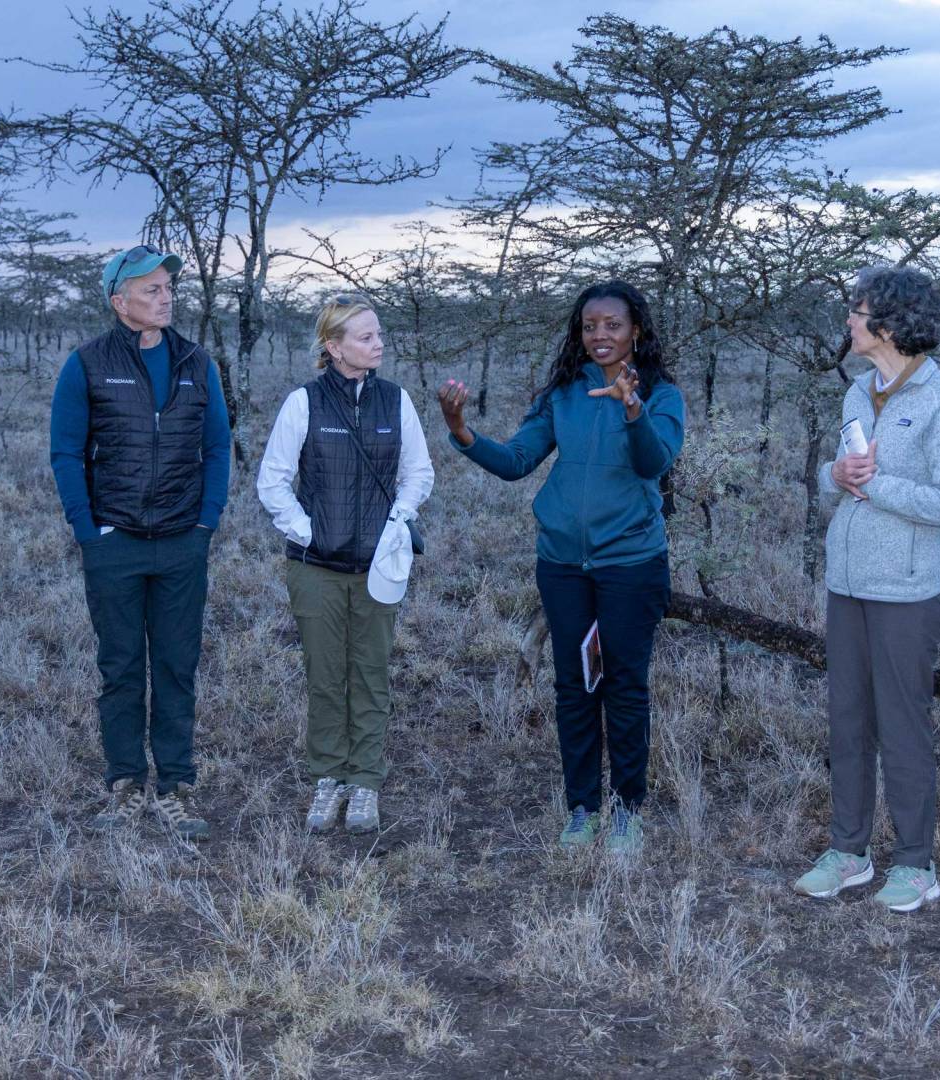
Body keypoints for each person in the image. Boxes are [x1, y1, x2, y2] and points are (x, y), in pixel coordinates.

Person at [437, 281, 685, 854]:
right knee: (575, 685)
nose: (600, 335)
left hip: (630, 564)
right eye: (590, 325)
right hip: (563, 566)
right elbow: (517, 461)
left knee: (624, 686)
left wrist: (631, 408)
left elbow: (655, 461)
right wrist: (461, 431)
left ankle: (627, 809)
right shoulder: (563, 394)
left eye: (613, 325)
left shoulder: (662, 395)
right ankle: (583, 808)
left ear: (636, 331)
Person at [791, 266, 940, 913]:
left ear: (889, 323)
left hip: (906, 589)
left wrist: (875, 486)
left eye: (858, 310)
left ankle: (916, 864)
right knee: (847, 722)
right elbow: (836, 476)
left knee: (902, 726)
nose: (849, 320)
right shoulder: (858, 392)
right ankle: (848, 853)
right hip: (848, 583)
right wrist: (835, 474)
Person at [49, 244, 231, 842]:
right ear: (118, 300)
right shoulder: (87, 363)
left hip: (182, 541)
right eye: (150, 289)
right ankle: (125, 783)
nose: (164, 297)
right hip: (115, 542)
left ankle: (176, 785)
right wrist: (88, 530)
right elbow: (65, 452)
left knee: (177, 667)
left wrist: (206, 521)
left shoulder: (196, 361)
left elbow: (217, 447)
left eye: (166, 288)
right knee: (121, 667)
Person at [256, 295, 434, 834]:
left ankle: (366, 782)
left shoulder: (396, 401)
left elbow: (418, 473)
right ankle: (328, 776)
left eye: (379, 335)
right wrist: (312, 532)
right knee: (326, 674)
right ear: (333, 347)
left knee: (372, 672)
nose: (378, 344)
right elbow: (273, 481)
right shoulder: (303, 403)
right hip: (315, 568)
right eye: (365, 337)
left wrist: (397, 521)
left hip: (379, 566)